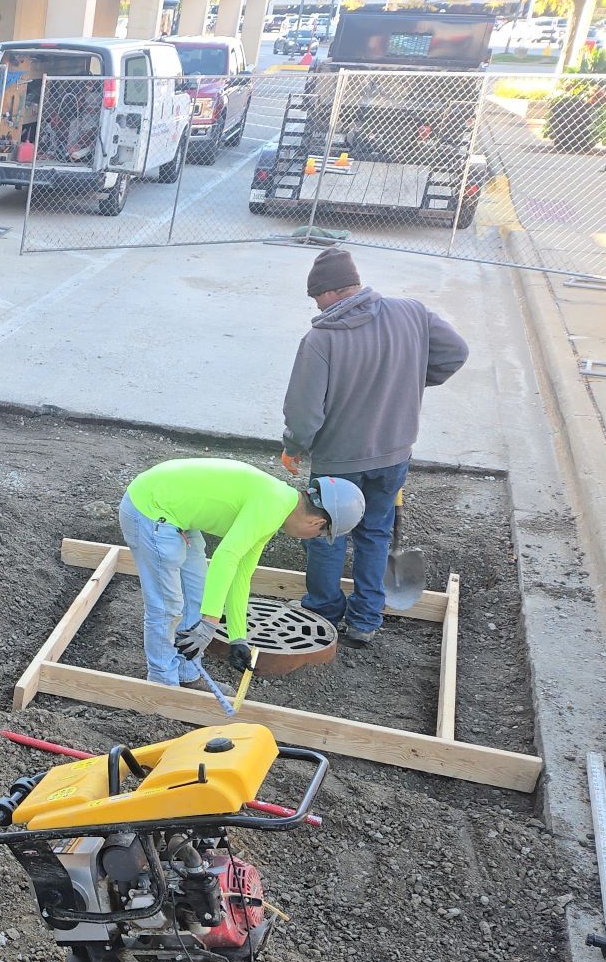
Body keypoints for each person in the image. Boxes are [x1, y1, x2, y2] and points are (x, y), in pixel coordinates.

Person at [280, 246, 468, 646]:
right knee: (375, 532)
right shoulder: (411, 312)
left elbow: (304, 413)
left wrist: (293, 446)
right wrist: (409, 378)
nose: (316, 305)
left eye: (316, 296)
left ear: (330, 291)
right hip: (394, 454)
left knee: (327, 533)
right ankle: (365, 620)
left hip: (339, 461)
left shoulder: (321, 339)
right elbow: (456, 353)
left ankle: (323, 612)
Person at [120, 457, 363, 688]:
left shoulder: (279, 506)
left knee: (197, 595)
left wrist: (238, 637)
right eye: (320, 535)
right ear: (317, 524)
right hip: (150, 507)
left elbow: (241, 574)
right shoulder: (273, 505)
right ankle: (162, 684)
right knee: (167, 606)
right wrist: (210, 623)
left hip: (176, 511)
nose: (312, 538)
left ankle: (187, 674)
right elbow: (225, 557)